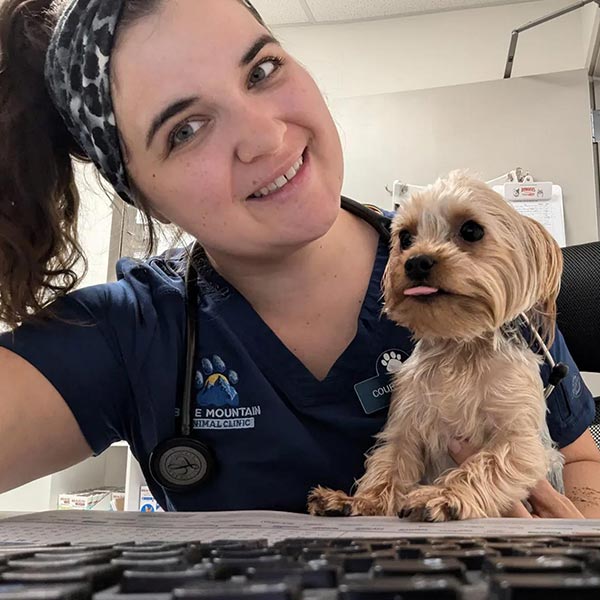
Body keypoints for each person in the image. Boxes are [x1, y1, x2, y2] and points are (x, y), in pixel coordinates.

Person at [0, 0, 598, 516]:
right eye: (184, 129)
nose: (265, 136)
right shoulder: (129, 333)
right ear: (140, 195)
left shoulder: (491, 282)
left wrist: (573, 539)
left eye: (261, 69)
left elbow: (576, 453)